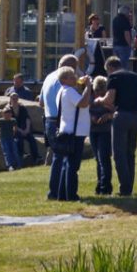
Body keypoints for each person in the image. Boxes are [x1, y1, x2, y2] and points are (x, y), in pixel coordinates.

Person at [98, 55, 137, 197]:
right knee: (130, 153)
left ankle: (124, 188)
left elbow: (110, 99)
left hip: (122, 117)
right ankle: (129, 186)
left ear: (110, 68)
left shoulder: (114, 77)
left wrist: (100, 100)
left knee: (119, 155)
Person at [51, 67, 92, 201]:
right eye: (71, 77)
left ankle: (62, 195)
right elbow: (83, 103)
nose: (74, 78)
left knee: (66, 164)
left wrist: (82, 86)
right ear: (63, 80)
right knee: (73, 166)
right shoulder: (69, 91)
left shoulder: (62, 91)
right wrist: (88, 87)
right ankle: (71, 195)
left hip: (67, 130)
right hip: (75, 132)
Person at [41, 54, 82, 188]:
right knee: (63, 158)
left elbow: (41, 102)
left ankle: (55, 190)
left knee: (57, 157)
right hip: (60, 120)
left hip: (48, 119)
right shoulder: (64, 81)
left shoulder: (48, 77)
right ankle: (58, 190)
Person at [88, 76, 115, 195]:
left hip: (106, 130)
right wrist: (90, 118)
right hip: (93, 130)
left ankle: (106, 187)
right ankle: (100, 184)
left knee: (104, 158)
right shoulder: (90, 97)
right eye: (97, 91)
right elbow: (84, 109)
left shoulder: (110, 98)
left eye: (102, 91)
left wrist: (109, 116)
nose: (99, 93)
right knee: (97, 159)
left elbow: (116, 111)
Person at [8, 92, 39, 163]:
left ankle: (36, 157)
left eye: (16, 98)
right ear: (10, 99)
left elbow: (27, 119)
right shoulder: (8, 109)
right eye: (13, 98)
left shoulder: (22, 108)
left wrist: (27, 129)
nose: (15, 100)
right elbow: (11, 123)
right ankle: (21, 156)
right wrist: (21, 131)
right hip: (15, 130)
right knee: (19, 140)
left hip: (25, 129)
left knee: (32, 139)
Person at [0, 105, 22, 171]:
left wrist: (13, 134)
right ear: (3, 114)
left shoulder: (13, 120)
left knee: (15, 151)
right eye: (6, 113)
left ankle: (19, 165)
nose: (8, 115)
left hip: (11, 138)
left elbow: (15, 128)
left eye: (9, 113)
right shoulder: (0, 121)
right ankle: (10, 166)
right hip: (3, 138)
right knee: (7, 152)